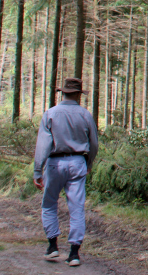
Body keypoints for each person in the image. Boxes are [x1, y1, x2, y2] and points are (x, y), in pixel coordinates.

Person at [33, 77, 99, 267]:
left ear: (63, 93)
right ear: (78, 94)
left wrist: (38, 171)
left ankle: (53, 246)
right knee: (76, 206)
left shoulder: (51, 114)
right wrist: (88, 163)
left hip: (54, 163)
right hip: (78, 161)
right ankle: (74, 253)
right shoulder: (85, 115)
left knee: (49, 203)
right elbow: (93, 143)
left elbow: (43, 145)